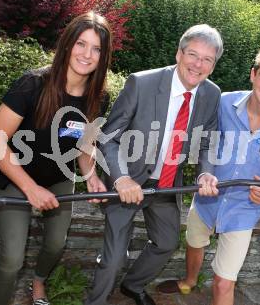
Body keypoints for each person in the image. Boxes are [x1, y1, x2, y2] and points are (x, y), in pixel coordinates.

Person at [156, 45, 260, 305]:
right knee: (194, 242)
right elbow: (203, 143)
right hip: (206, 199)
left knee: (224, 282)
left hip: (244, 210)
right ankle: (190, 281)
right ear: (253, 74)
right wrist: (203, 173)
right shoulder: (223, 102)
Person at [84, 24, 223, 305]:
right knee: (112, 261)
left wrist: (206, 172)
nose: (198, 64)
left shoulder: (211, 94)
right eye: (193, 55)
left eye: (207, 59)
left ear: (213, 65)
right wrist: (121, 178)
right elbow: (109, 138)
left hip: (167, 186)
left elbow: (207, 143)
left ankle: (132, 286)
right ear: (179, 54)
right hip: (128, 181)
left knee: (167, 244)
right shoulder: (142, 83)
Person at [0, 11, 112, 305]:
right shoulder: (32, 84)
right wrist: (30, 188)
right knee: (11, 258)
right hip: (16, 178)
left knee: (56, 244)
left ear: (103, 57)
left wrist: (91, 175)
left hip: (59, 177)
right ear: (68, 44)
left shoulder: (98, 97)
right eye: (81, 44)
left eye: (96, 49)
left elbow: (84, 143)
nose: (87, 54)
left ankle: (38, 282)